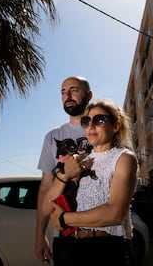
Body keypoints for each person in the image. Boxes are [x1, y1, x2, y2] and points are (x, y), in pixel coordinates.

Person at [42, 100, 138, 266]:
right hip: (67, 248)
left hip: (103, 250)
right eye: (86, 121)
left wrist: (64, 219)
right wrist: (65, 176)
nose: (90, 126)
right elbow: (45, 208)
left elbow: (115, 214)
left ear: (116, 126)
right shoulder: (78, 160)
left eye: (99, 120)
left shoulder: (123, 158)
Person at [34, 76, 93, 264]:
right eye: (63, 91)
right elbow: (45, 187)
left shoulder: (102, 130)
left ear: (88, 95)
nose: (67, 95)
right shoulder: (52, 137)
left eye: (73, 90)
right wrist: (39, 235)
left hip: (103, 235)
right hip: (66, 239)